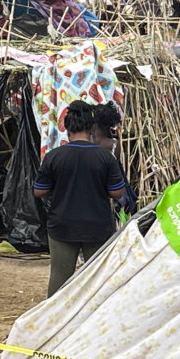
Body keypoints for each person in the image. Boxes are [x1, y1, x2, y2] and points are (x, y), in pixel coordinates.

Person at [34, 100, 126, 297]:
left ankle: (54, 320)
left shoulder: (54, 156)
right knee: (96, 279)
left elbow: (39, 191)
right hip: (97, 226)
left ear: (67, 128)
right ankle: (93, 321)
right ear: (92, 128)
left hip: (62, 225)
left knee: (59, 277)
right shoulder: (105, 157)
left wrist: (61, 188)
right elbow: (117, 193)